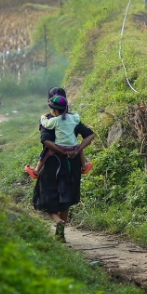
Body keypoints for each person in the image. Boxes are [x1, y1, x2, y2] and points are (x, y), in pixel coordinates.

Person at [26, 87, 96, 243]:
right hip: (74, 163)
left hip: (53, 163)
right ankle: (61, 236)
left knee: (45, 196)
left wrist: (62, 152)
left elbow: (46, 141)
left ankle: (58, 222)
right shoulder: (73, 118)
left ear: (49, 103)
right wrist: (78, 148)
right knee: (66, 198)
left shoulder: (48, 119)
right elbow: (89, 135)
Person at [28, 95, 93, 177]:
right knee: (80, 150)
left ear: (55, 111)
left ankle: (36, 171)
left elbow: (46, 124)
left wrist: (43, 117)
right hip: (74, 147)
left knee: (46, 153)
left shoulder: (55, 120)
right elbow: (77, 117)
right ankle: (84, 166)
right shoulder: (74, 118)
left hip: (60, 147)